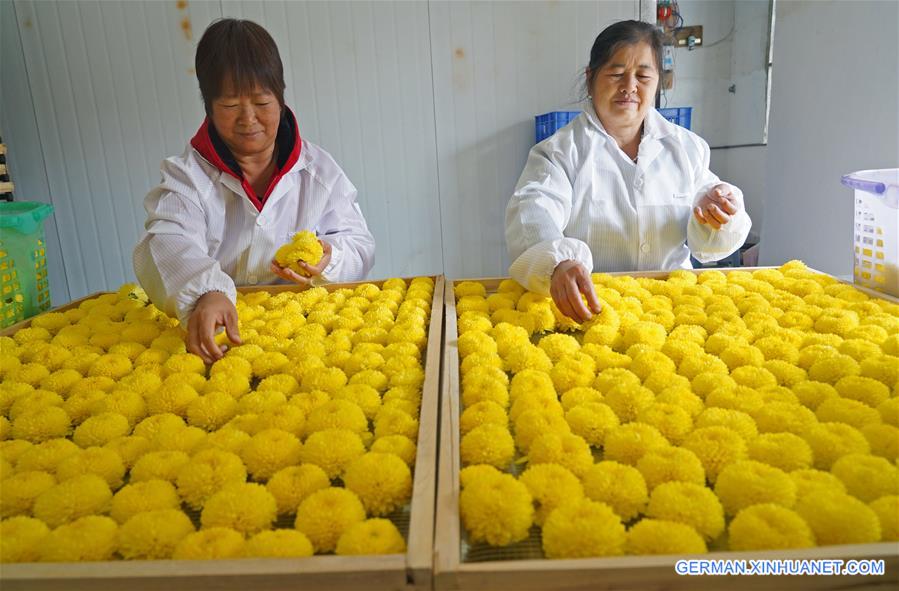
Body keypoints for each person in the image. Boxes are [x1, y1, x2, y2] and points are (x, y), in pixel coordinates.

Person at [134, 19, 375, 363]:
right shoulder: (187, 177)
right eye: (231, 106)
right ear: (209, 107)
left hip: (309, 335)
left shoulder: (318, 172)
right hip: (219, 337)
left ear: (280, 97)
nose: (249, 119)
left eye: (262, 102)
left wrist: (330, 258)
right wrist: (207, 293)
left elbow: (360, 244)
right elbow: (167, 241)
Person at [505, 20, 751, 323]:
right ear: (591, 77)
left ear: (658, 81)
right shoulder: (559, 152)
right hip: (591, 308)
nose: (630, 86)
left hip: (674, 310)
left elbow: (712, 237)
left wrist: (718, 212)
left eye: (643, 75)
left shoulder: (687, 149)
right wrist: (558, 264)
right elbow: (533, 211)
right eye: (616, 73)